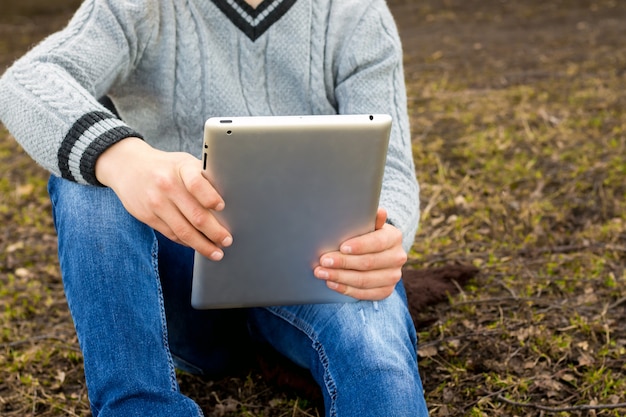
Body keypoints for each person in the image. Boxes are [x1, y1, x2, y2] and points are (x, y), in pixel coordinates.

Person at [0, 0, 428, 416]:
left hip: (318, 273)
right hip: (183, 292)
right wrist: (124, 159)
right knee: (86, 177)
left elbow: (390, 165)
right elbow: (27, 81)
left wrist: (382, 234)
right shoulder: (136, 6)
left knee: (378, 358)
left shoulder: (356, 12)